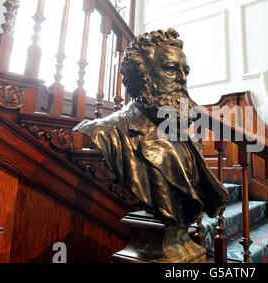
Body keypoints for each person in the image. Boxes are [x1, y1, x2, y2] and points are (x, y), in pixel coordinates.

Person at [73, 28, 229, 229]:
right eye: (171, 68)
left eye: (185, 71)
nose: (182, 78)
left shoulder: (183, 134)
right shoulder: (106, 133)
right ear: (142, 75)